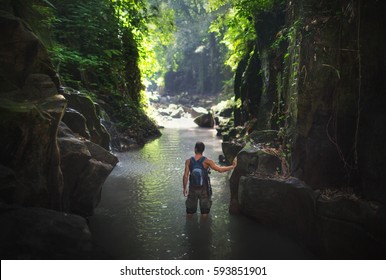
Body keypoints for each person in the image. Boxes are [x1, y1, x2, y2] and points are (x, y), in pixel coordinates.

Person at [183, 141, 237, 218]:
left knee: (189, 213)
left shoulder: (188, 161)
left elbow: (185, 176)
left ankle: (190, 228)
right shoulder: (207, 161)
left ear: (195, 149)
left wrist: (185, 188)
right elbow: (220, 170)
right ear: (203, 150)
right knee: (204, 213)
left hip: (192, 189)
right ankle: (204, 228)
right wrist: (232, 166)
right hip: (204, 189)